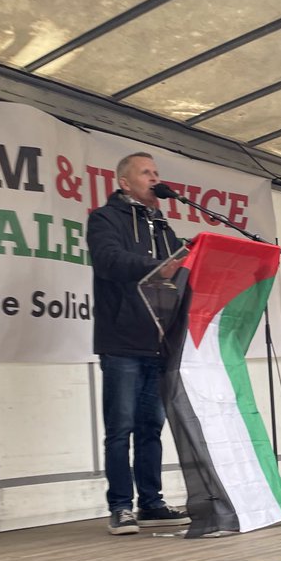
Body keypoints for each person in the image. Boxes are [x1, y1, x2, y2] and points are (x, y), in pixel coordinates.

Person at [87, 152, 190, 535]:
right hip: (121, 340)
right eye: (146, 172)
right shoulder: (104, 219)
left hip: (159, 341)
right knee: (121, 428)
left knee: (151, 428)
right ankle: (119, 506)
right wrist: (156, 266)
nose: (154, 178)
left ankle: (151, 503)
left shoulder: (163, 226)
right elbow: (108, 261)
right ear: (124, 183)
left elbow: (178, 274)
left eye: (157, 172)